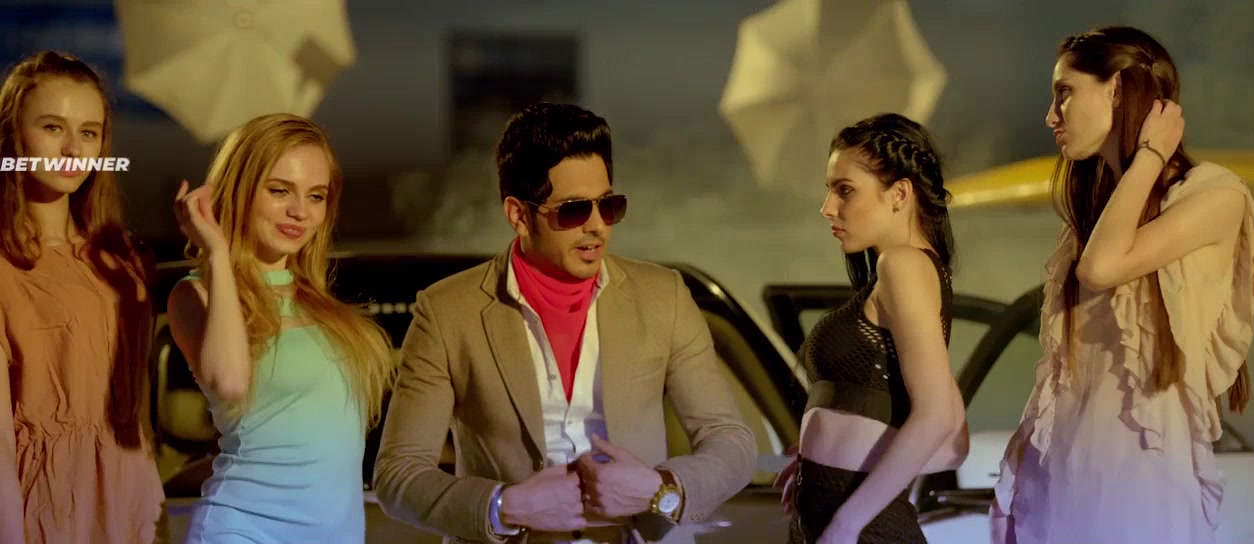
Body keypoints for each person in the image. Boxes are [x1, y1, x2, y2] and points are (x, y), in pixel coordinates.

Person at [373, 102, 757, 544]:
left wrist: (661, 490)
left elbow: (731, 441)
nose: (597, 227)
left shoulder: (663, 297)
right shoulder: (448, 312)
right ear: (518, 214)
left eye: (609, 206)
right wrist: (505, 506)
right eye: (574, 211)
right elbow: (398, 474)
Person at [990, 26, 1254, 544]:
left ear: (1116, 89)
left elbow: (1102, 268)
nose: (1051, 116)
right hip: (1059, 480)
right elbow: (1063, 372)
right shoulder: (1096, 222)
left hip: (1138, 482)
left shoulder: (1214, 194)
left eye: (1064, 93)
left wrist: (1152, 154)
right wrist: (1016, 478)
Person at [167, 113, 396, 543]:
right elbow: (229, 382)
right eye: (279, 190)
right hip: (244, 530)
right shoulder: (197, 294)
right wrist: (217, 254)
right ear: (239, 189)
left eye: (316, 196)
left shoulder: (324, 306)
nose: (300, 212)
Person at [772, 113, 968, 543]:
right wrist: (824, 460)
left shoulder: (903, 264)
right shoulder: (908, 273)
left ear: (899, 194)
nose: (827, 208)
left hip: (862, 530)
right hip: (840, 521)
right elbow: (954, 439)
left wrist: (847, 522)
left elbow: (939, 420)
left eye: (844, 190)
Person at [0, 51, 166, 544]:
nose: (73, 149)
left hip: (132, 493)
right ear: (11, 134)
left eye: (89, 132)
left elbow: (138, 409)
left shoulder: (120, 261)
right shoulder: (6, 268)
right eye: (53, 127)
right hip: (47, 502)